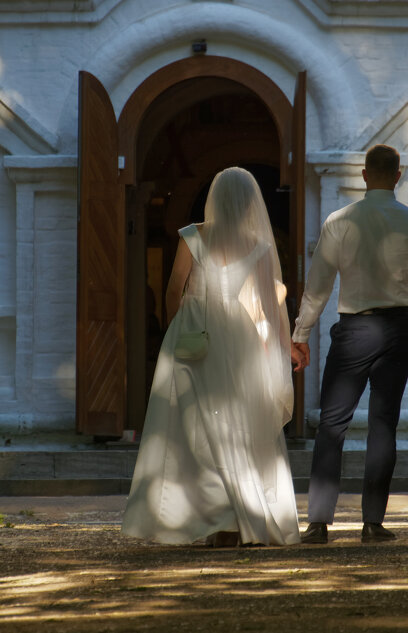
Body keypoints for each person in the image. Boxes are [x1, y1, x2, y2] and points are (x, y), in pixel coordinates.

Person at [122, 167, 301, 547]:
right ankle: (237, 517)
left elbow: (174, 288)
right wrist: (282, 348)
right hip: (238, 334)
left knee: (193, 426)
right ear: (251, 203)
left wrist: (178, 330)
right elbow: (268, 307)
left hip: (194, 330)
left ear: (214, 198)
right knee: (237, 425)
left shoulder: (193, 235)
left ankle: (206, 516)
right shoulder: (258, 245)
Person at [291, 144, 408, 544]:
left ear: (363, 175)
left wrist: (300, 335)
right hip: (396, 330)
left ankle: (319, 523)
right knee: (382, 425)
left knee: (332, 425)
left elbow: (318, 286)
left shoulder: (340, 221)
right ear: (397, 176)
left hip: (354, 328)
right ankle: (373, 523)